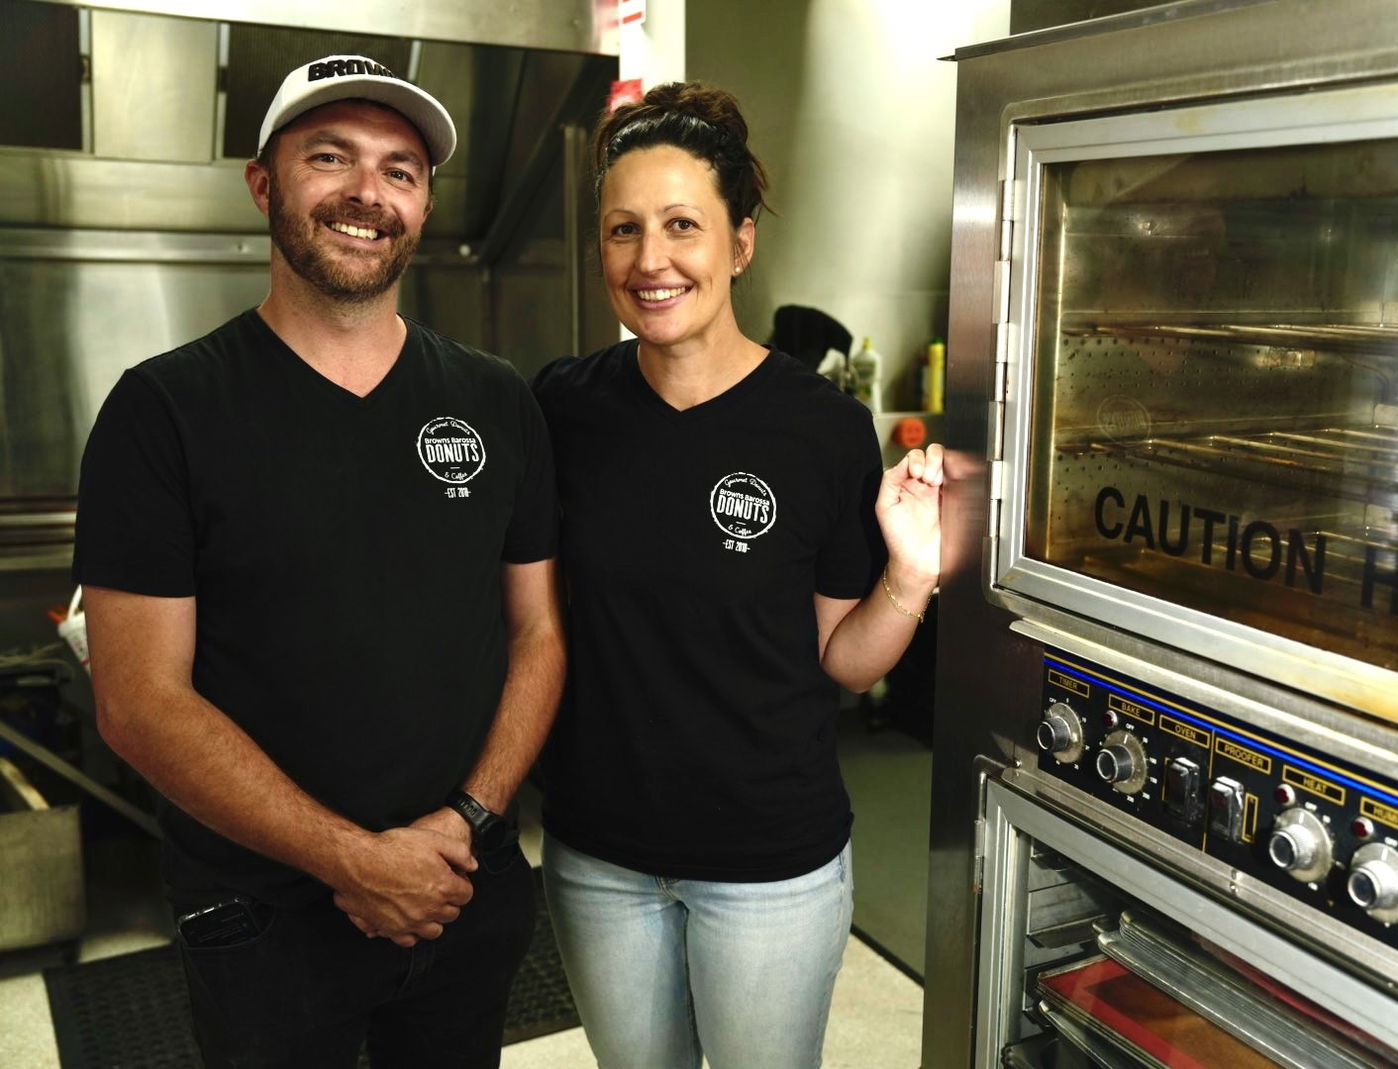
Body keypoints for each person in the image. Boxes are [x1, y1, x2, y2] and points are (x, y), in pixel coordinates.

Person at [72, 54, 565, 1067]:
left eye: (399, 169)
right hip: (264, 916)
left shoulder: (493, 399)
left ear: (422, 203)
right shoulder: (165, 411)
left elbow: (538, 631)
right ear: (264, 183)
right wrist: (355, 859)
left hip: (460, 889)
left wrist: (464, 823)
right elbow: (137, 700)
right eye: (328, 157)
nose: (365, 194)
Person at [531, 81, 943, 1069]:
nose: (650, 259)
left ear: (740, 243)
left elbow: (843, 660)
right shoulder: (560, 408)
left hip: (769, 863)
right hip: (598, 855)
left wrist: (911, 573)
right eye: (622, 229)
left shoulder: (819, 428)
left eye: (682, 225)